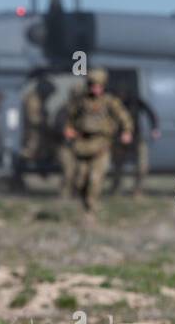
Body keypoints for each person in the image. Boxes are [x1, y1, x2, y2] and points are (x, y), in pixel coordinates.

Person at [62, 67, 133, 217]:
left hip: (101, 145)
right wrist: (68, 129)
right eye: (93, 85)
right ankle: (85, 205)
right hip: (82, 145)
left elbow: (124, 117)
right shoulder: (81, 102)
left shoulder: (110, 102)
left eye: (99, 86)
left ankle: (91, 211)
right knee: (80, 180)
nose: (96, 89)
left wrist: (126, 131)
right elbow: (70, 118)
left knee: (95, 179)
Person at [110, 92, 160, 196]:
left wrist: (155, 128)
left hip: (137, 137)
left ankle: (138, 190)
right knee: (118, 165)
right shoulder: (112, 104)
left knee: (142, 165)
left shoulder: (135, 101)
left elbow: (150, 112)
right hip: (120, 138)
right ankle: (116, 189)